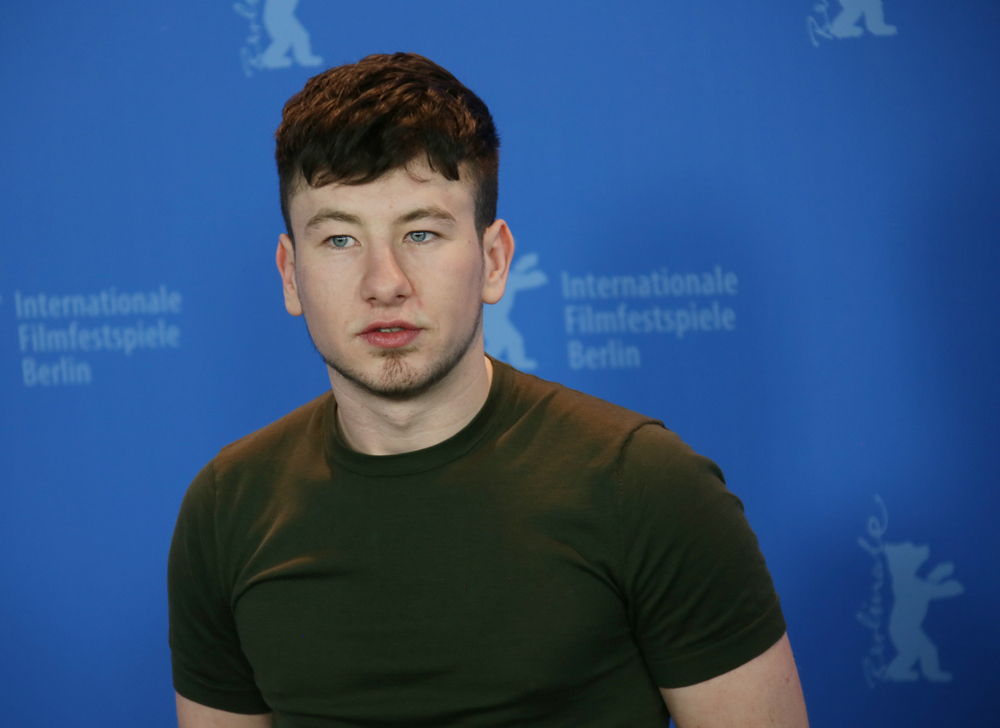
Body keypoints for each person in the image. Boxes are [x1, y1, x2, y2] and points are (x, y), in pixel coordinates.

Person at [168, 52, 809, 728]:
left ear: (495, 260)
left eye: (421, 232)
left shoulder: (644, 484)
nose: (384, 282)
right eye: (339, 240)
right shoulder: (225, 509)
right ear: (290, 274)